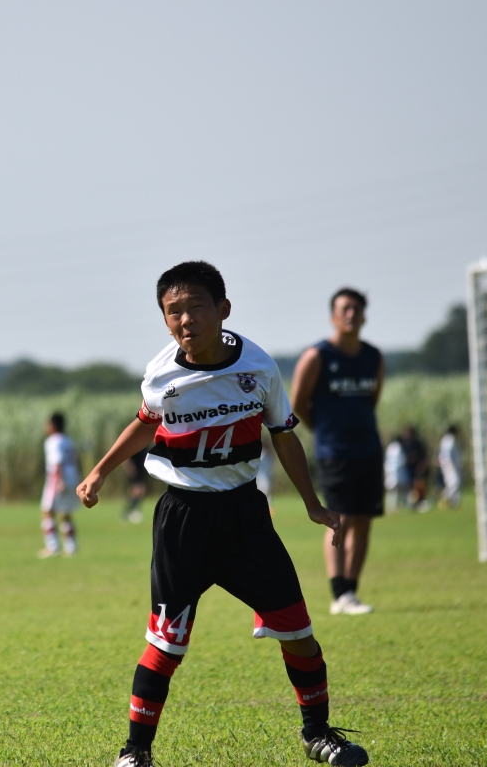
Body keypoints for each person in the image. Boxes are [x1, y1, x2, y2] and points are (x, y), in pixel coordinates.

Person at [77, 261, 368, 767]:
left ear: (223, 309)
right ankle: (135, 752)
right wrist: (100, 471)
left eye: (196, 307)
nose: (185, 320)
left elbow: (283, 435)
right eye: (173, 311)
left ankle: (318, 735)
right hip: (182, 520)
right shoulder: (161, 374)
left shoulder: (257, 367)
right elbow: (145, 423)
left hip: (245, 518)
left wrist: (312, 503)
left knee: (299, 633)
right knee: (165, 645)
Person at [291, 288, 383, 616]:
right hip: (334, 452)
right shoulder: (317, 356)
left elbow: (372, 399)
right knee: (339, 520)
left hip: (369, 449)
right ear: (333, 316)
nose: (351, 314)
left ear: (364, 315)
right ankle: (338, 592)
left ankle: (351, 592)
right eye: (344, 309)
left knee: (364, 521)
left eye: (356, 308)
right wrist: (323, 431)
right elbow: (297, 403)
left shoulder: (373, 356)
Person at [39, 412, 80, 558]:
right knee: (65, 512)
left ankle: (52, 547)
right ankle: (71, 546)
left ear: (53, 426)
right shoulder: (68, 440)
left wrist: (59, 481)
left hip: (58, 480)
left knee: (47, 511)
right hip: (72, 477)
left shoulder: (52, 441)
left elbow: (57, 462)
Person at [399, 426, 429, 511]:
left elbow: (423, 456)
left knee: (419, 485)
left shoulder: (417, 444)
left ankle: (419, 502)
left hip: (417, 468)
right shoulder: (404, 445)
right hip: (408, 469)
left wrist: (422, 465)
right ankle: (410, 503)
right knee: (409, 486)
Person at [436, 425, 462, 508]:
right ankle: (446, 498)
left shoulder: (445, 439)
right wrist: (453, 464)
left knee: (451, 482)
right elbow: (448, 453)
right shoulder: (450, 439)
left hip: (446, 464)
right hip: (450, 464)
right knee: (455, 482)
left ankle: (453, 501)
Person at [121, 449, 149, 524]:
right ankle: (130, 511)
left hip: (141, 468)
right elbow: (126, 456)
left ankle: (130, 510)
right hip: (135, 469)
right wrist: (129, 467)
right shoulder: (133, 446)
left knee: (139, 489)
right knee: (138, 489)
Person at [382, 438, 409, 513]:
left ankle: (392, 506)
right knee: (398, 490)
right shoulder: (398, 448)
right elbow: (402, 460)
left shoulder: (390, 448)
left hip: (390, 472)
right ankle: (402, 505)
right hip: (398, 472)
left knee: (393, 491)